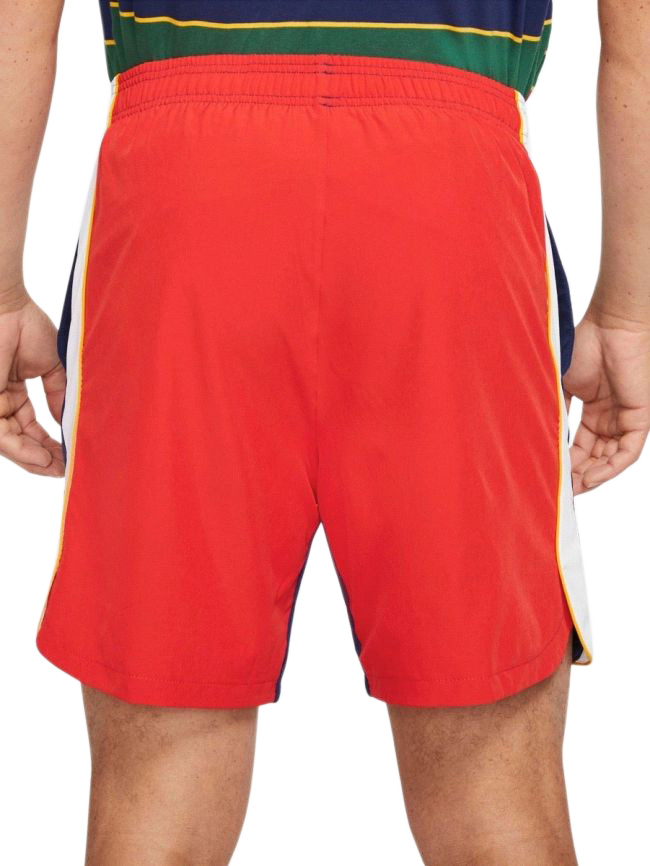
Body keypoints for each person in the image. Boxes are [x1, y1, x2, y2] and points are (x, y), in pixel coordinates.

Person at [1, 2, 649, 863]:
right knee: (493, 788)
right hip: (448, 189)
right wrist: (630, 309)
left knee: (157, 788)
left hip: (186, 189)